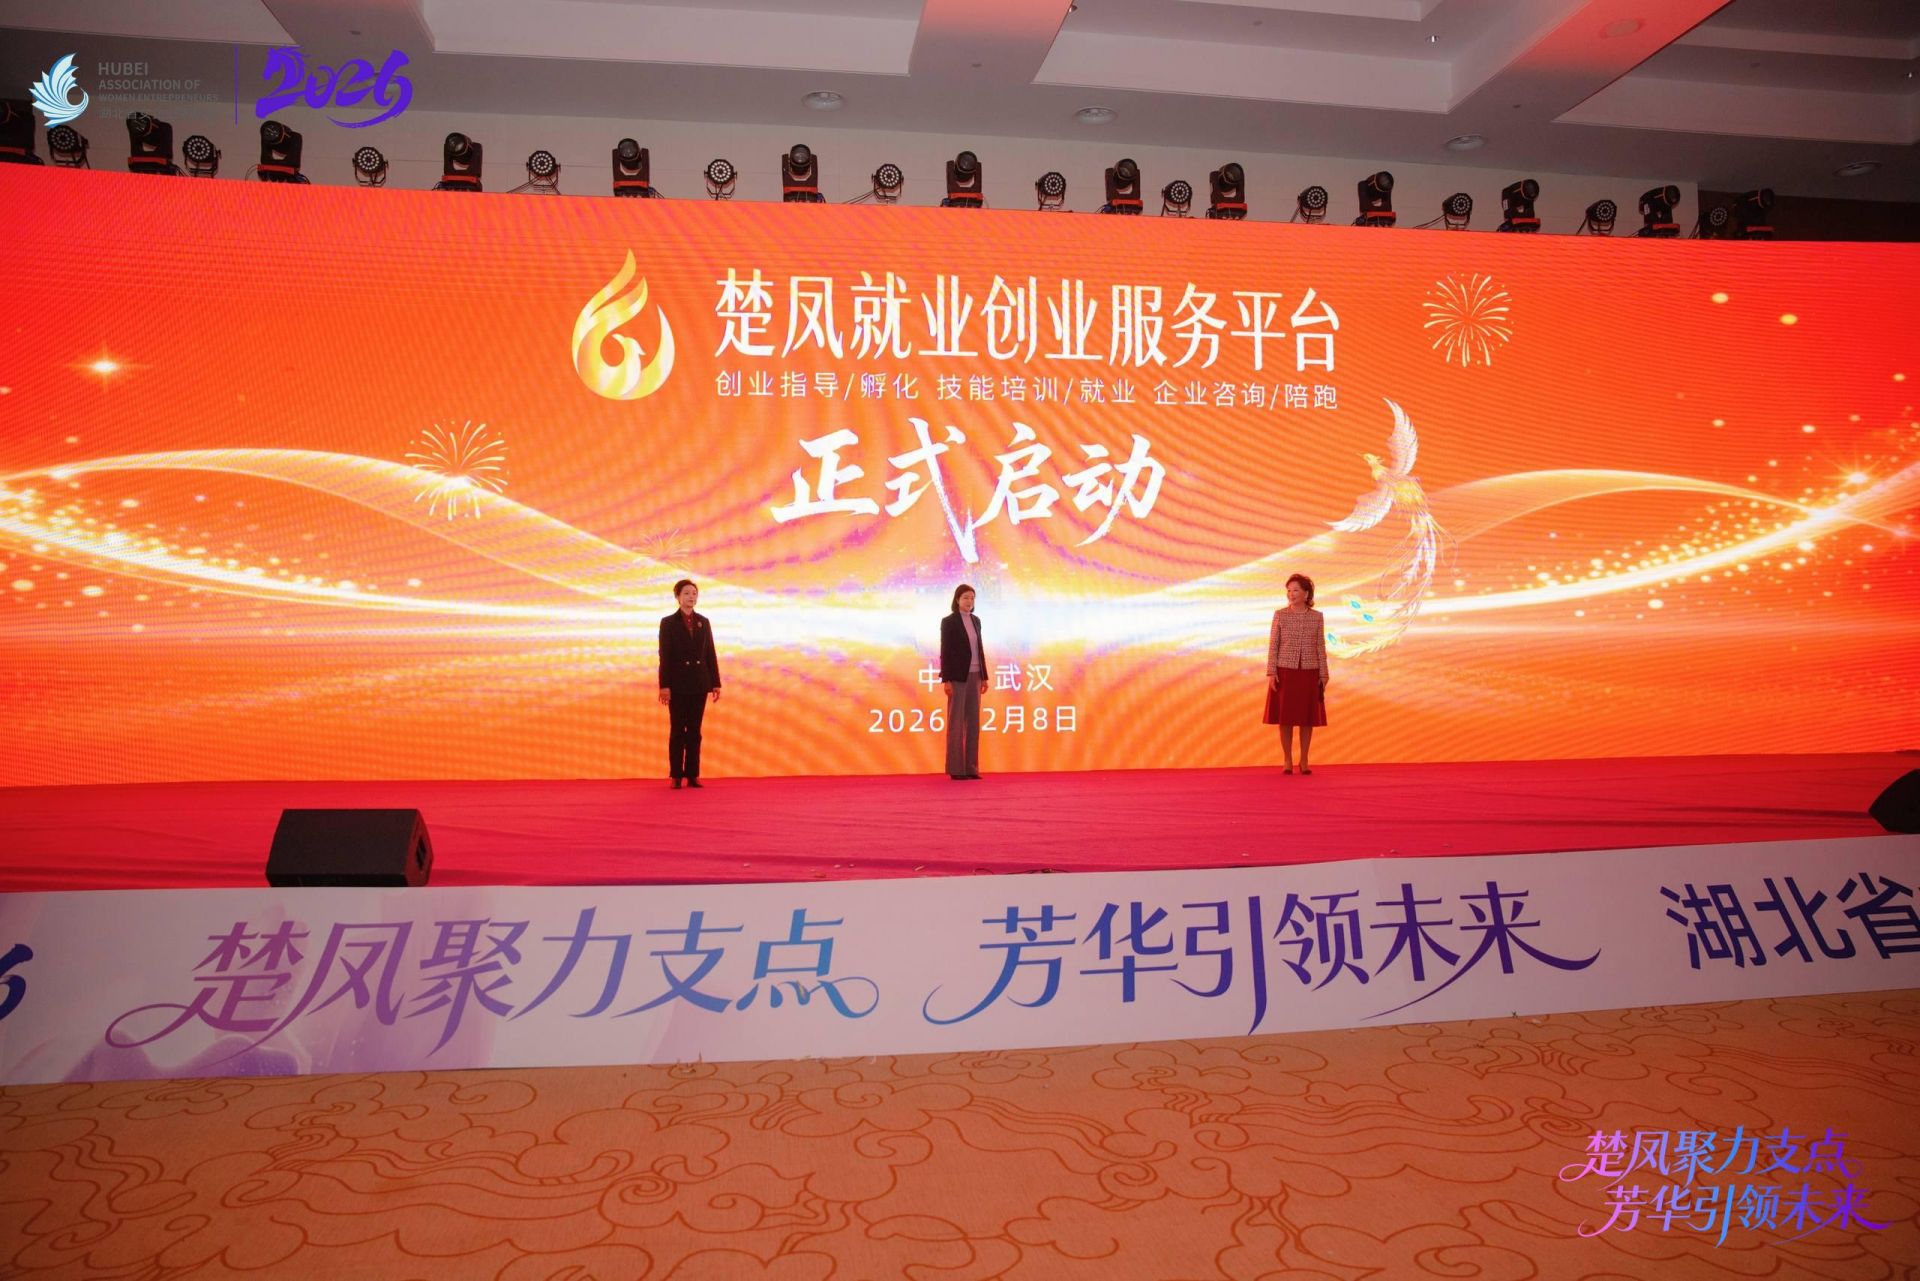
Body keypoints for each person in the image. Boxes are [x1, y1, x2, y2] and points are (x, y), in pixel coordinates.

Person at [658, 578, 721, 788]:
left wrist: (715, 682)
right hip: (677, 684)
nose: (691, 597)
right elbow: (664, 656)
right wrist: (664, 686)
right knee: (678, 730)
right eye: (686, 593)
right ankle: (676, 775)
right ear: (677, 597)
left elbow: (710, 653)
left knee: (695, 730)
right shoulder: (668, 623)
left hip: (699, 682)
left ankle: (693, 774)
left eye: (694, 593)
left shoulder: (704, 621)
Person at [1264, 572, 1329, 774]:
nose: (1291, 594)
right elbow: (1273, 645)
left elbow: (1320, 646)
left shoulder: (1317, 617)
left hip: (1310, 672)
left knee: (1306, 718)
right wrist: (1271, 672)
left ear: (1306, 594)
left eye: (1296, 590)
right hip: (1285, 672)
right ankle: (1287, 759)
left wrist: (1324, 673)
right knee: (1285, 718)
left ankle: (1304, 759)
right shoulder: (1280, 615)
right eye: (1289, 591)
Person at [939, 584, 984, 780]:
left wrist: (984, 676)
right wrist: (946, 679)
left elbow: (979, 649)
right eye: (965, 597)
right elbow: (945, 651)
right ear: (957, 599)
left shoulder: (976, 621)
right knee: (956, 723)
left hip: (976, 675)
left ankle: (971, 768)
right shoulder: (949, 622)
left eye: (972, 598)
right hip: (958, 677)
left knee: (973, 722)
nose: (969, 601)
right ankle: (957, 769)